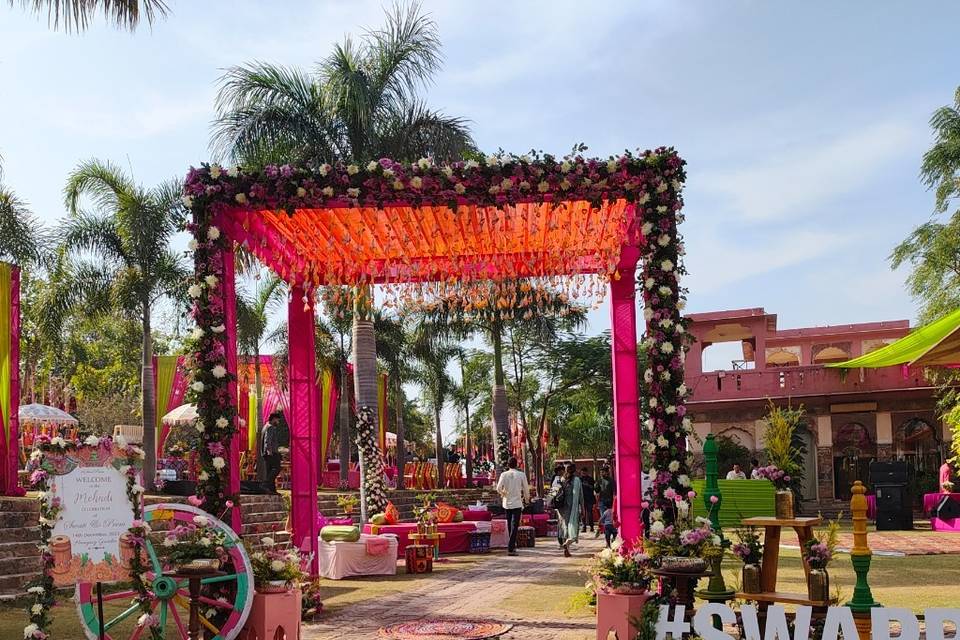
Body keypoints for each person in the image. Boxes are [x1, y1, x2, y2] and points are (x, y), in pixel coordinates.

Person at [496, 456, 530, 556]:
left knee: (511, 525)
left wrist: (504, 493)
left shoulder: (503, 474)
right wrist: (527, 500)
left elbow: (498, 488)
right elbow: (526, 489)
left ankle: (512, 545)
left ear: (508, 465)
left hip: (506, 503)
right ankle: (511, 547)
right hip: (517, 503)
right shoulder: (521, 474)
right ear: (517, 464)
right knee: (515, 525)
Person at [557, 462, 583, 557]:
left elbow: (554, 493)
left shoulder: (562, 479)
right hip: (573, 507)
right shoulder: (577, 480)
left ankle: (567, 550)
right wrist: (583, 509)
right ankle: (567, 544)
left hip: (562, 508)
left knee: (565, 528)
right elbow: (580, 496)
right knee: (573, 529)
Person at [261, 415, 282, 493]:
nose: (278, 422)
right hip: (271, 452)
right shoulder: (270, 427)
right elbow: (267, 440)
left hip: (265, 453)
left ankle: (271, 489)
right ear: (273, 419)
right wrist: (269, 450)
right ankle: (266, 483)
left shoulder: (265, 426)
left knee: (269, 471)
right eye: (277, 420)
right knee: (277, 468)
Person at [580, 468, 596, 533]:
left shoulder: (590, 479)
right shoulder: (579, 479)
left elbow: (594, 488)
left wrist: (588, 485)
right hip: (582, 499)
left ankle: (591, 526)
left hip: (589, 499)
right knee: (583, 513)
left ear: (587, 472)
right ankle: (584, 527)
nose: (583, 474)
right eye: (582, 472)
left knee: (590, 513)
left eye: (584, 472)